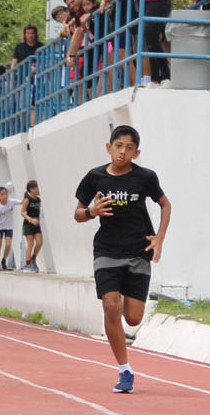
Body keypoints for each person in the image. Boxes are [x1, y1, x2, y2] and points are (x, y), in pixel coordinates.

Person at [74, 125, 172, 394]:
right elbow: (78, 214)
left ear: (136, 153)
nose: (122, 152)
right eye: (118, 146)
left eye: (129, 148)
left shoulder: (145, 177)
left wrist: (159, 237)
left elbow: (165, 204)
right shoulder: (95, 177)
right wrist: (92, 211)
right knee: (110, 305)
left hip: (139, 250)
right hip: (107, 250)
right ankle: (124, 370)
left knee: (133, 318)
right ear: (109, 147)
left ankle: (125, 357)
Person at [0, 186, 16, 270]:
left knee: (8, 244)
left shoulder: (11, 202)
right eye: (2, 194)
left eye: (6, 194)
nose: (5, 196)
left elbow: (23, 202)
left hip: (9, 227)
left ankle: (4, 259)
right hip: (0, 227)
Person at [20, 180, 42, 272]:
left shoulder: (38, 200)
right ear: (32, 189)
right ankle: (28, 263)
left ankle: (33, 259)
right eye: (37, 187)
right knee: (31, 243)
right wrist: (31, 219)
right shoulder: (27, 200)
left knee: (39, 242)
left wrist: (37, 220)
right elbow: (22, 212)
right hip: (28, 224)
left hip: (36, 224)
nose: (39, 189)